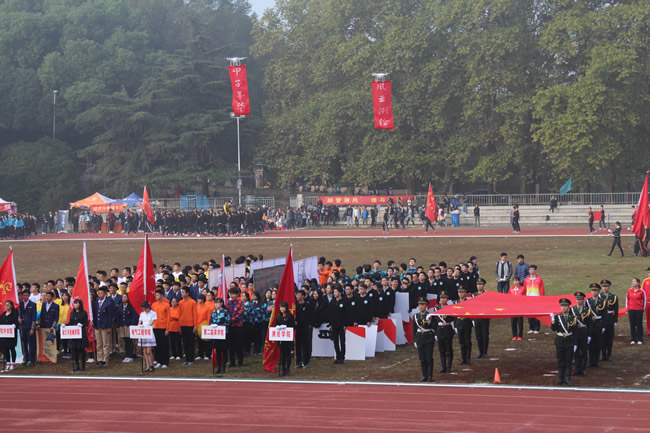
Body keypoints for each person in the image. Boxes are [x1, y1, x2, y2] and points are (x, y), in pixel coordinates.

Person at [550, 298, 577, 385]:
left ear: (568, 307)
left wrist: (575, 344)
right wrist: (553, 321)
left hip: (569, 341)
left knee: (568, 361)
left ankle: (568, 379)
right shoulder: (557, 317)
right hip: (560, 341)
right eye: (562, 306)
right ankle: (560, 379)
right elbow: (553, 329)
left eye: (565, 306)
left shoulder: (573, 318)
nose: (563, 308)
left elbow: (576, 332)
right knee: (560, 360)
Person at [432, 291, 455, 373]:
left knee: (448, 350)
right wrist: (435, 333)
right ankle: (443, 367)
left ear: (447, 299)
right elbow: (434, 322)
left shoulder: (450, 308)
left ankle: (449, 367)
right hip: (439, 330)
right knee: (441, 350)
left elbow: (452, 318)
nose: (442, 300)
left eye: (444, 298)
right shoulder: (436, 309)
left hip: (447, 329)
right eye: (441, 298)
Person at [413, 297, 435, 381]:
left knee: (429, 358)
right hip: (419, 338)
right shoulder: (416, 316)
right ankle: (424, 375)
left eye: (422, 305)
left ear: (426, 306)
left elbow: (434, 326)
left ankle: (429, 376)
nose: (421, 306)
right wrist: (415, 340)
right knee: (422, 358)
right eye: (419, 305)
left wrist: (429, 321)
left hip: (428, 338)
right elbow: (414, 329)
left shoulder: (430, 315)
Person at [571, 292, 592, 377]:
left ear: (583, 300)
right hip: (575, 333)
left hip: (584, 333)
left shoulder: (587, 310)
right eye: (577, 299)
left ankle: (583, 369)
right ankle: (577, 369)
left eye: (580, 299)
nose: (578, 301)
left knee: (584, 352)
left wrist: (589, 335)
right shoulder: (572, 310)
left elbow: (590, 323)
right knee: (576, 353)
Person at [585, 283, 606, 367]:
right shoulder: (587, 301)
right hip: (590, 324)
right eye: (592, 290)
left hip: (598, 324)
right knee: (590, 343)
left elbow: (605, 315)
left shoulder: (603, 302)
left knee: (597, 343)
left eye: (596, 290)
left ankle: (596, 361)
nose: (594, 292)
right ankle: (591, 361)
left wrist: (603, 326)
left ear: (598, 291)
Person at [93, 286, 114, 366]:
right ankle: (99, 358)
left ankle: (105, 359)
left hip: (105, 325)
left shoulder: (108, 303)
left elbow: (109, 316)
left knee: (105, 343)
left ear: (105, 294)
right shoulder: (96, 302)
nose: (99, 295)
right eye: (98, 293)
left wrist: (109, 326)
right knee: (99, 343)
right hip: (97, 325)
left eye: (101, 293)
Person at [66, 299, 89, 372]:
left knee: (81, 350)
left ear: (80, 304)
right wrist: (65, 325)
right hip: (74, 334)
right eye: (74, 303)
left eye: (76, 303)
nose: (75, 305)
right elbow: (70, 322)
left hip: (81, 333)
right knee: (74, 350)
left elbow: (86, 323)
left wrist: (82, 325)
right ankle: (77, 365)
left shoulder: (84, 313)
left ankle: (83, 365)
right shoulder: (72, 313)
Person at [115, 294, 138, 363]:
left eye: (125, 297)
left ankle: (130, 355)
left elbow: (134, 317)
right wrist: (118, 326)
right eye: (123, 297)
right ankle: (127, 355)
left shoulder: (131, 306)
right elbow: (118, 317)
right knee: (125, 340)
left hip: (129, 326)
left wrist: (132, 325)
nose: (123, 298)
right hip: (122, 325)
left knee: (129, 341)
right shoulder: (120, 306)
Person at [210, 297, 230, 374]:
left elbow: (228, 321)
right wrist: (213, 326)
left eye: (217, 303)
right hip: (216, 334)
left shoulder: (225, 312)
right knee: (217, 350)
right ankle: (218, 366)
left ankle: (223, 367)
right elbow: (211, 321)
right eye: (215, 303)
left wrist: (220, 326)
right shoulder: (213, 312)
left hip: (223, 333)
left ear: (221, 303)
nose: (216, 304)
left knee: (224, 350)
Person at [599, 279, 618, 361]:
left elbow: (616, 310)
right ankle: (603, 354)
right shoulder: (599, 297)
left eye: (606, 286)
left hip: (610, 319)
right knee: (602, 338)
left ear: (609, 287)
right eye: (603, 286)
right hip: (602, 319)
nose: (605, 288)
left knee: (610, 338)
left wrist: (615, 320)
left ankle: (609, 354)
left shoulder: (613, 297)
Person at [523, 265, 545, 334]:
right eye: (530, 269)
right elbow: (524, 290)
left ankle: (537, 328)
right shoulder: (526, 280)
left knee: (537, 314)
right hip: (529, 299)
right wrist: (524, 298)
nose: (531, 271)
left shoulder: (539, 279)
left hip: (537, 299)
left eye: (532, 269)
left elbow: (541, 289)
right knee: (529, 314)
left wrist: (542, 298)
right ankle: (531, 328)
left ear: (535, 270)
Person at [178, 286, 197, 365]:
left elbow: (195, 314)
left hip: (190, 324)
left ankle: (191, 359)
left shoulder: (193, 302)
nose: (182, 293)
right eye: (181, 292)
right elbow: (179, 314)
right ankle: (186, 358)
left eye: (183, 292)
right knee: (185, 342)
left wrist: (195, 325)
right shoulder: (180, 302)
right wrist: (179, 325)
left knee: (191, 342)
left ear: (187, 293)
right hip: (183, 324)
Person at [275, 301, 295, 377]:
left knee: (288, 354)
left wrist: (286, 327)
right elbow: (276, 325)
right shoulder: (279, 317)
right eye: (280, 307)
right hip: (281, 339)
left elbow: (293, 326)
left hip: (288, 338)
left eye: (283, 307)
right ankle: (283, 369)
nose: (281, 309)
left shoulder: (290, 316)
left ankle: (288, 369)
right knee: (282, 355)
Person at [151, 289, 170, 368]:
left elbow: (168, 317)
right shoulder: (154, 305)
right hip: (155, 327)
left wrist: (167, 329)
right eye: (156, 295)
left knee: (164, 345)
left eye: (158, 295)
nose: (156, 296)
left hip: (163, 327)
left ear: (162, 295)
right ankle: (158, 360)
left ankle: (165, 362)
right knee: (157, 345)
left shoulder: (166, 305)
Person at [328, 285, 347, 364]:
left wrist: (345, 325)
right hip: (334, 325)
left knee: (342, 342)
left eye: (336, 292)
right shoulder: (332, 302)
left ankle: (342, 357)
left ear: (340, 293)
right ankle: (338, 356)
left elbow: (347, 314)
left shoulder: (345, 301)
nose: (334, 293)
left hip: (342, 325)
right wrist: (331, 324)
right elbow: (330, 314)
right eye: (334, 292)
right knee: (335, 341)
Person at [295, 289, 313, 368]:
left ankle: (306, 361)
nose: (297, 296)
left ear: (303, 296)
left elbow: (311, 316)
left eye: (299, 295)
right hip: (298, 328)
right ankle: (298, 361)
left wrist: (310, 324)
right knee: (298, 345)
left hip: (306, 328)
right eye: (297, 295)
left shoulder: (308, 305)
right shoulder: (295, 306)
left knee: (306, 345)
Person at [18, 290, 37, 366]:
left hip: (29, 326)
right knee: (24, 343)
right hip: (22, 326)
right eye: (23, 295)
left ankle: (31, 359)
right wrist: (18, 319)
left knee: (31, 343)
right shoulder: (20, 305)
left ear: (29, 295)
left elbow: (34, 317)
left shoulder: (33, 304)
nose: (24, 297)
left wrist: (32, 328)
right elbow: (18, 315)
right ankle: (25, 358)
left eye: (26, 295)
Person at [227, 287, 245, 367]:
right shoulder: (228, 303)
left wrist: (231, 320)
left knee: (239, 344)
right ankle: (232, 362)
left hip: (238, 326)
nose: (232, 295)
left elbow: (240, 314)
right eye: (231, 294)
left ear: (237, 294)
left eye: (234, 294)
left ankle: (240, 361)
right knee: (231, 345)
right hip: (230, 326)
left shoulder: (240, 303)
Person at [455, 287, 473, 364]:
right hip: (459, 322)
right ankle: (463, 358)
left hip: (466, 322)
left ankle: (468, 358)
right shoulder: (455, 302)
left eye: (462, 292)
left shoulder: (468, 302)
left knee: (467, 341)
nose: (461, 294)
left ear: (465, 293)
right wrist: (455, 325)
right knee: (461, 342)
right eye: (459, 292)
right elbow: (454, 314)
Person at [138, 301, 157, 372]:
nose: (145, 310)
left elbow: (152, 322)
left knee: (149, 351)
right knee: (145, 351)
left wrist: (147, 327)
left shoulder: (153, 313)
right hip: (143, 332)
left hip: (149, 331)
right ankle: (148, 365)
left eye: (145, 309)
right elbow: (140, 321)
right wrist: (139, 326)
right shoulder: (142, 314)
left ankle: (151, 365)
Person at [0, 301, 19, 371]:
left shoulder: (14, 314)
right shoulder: (3, 314)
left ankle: (13, 363)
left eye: (8, 305)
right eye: (5, 305)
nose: (6, 306)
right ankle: (8, 363)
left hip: (11, 335)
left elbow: (16, 323)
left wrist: (14, 325)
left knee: (12, 348)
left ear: (11, 306)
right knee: (5, 349)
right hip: (4, 335)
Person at [626, 277, 646, 344]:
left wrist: (643, 309)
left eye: (634, 281)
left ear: (638, 283)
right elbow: (627, 299)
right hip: (631, 309)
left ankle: (640, 339)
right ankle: (633, 339)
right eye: (632, 281)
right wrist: (627, 309)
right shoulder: (629, 290)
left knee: (639, 324)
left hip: (639, 310)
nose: (633, 283)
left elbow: (644, 300)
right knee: (632, 324)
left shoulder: (642, 291)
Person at [473, 279, 490, 358]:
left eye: (480, 284)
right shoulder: (474, 295)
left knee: (485, 335)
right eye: (478, 284)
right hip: (477, 317)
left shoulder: (486, 294)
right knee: (478, 335)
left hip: (484, 317)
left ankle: (485, 352)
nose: (479, 286)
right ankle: (480, 351)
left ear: (483, 285)